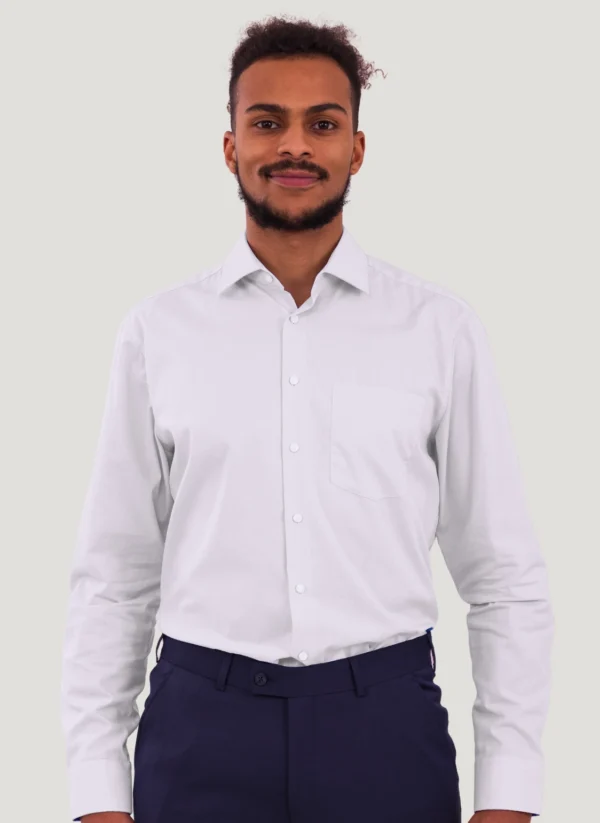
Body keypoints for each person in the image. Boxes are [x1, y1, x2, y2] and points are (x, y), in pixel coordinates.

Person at [60, 14, 554, 823]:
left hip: (386, 731)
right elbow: (113, 576)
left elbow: (503, 578)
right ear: (231, 147)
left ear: (356, 148)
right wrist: (96, 791)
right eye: (267, 122)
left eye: (322, 124)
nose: (294, 145)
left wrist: (510, 793)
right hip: (200, 731)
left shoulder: (438, 330)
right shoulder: (158, 333)